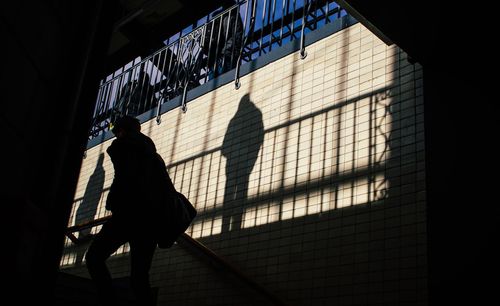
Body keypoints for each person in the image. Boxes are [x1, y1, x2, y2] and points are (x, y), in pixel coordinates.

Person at [85, 116, 174, 305]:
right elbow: (166, 188)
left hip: (126, 216)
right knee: (139, 277)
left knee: (94, 258)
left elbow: (124, 178)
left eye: (116, 132)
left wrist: (114, 202)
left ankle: (108, 299)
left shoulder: (121, 147)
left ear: (122, 131)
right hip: (150, 222)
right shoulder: (154, 157)